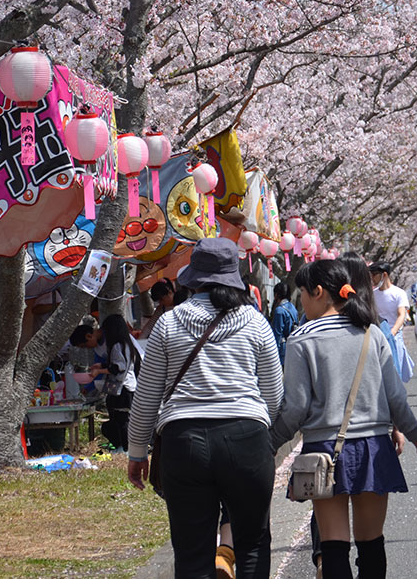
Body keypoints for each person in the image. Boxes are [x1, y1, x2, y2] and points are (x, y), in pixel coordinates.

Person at [126, 237, 283, 579]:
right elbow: (274, 394)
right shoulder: (255, 323)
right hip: (246, 437)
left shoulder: (168, 324)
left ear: (192, 277)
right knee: (253, 544)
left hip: (185, 442)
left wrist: (137, 452)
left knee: (192, 551)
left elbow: (147, 397)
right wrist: (257, 430)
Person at [271, 259, 417, 579]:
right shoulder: (372, 333)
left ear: (318, 293)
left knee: (333, 547)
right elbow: (395, 398)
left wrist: (269, 444)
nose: (300, 300)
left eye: (302, 293)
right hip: (373, 448)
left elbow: (295, 408)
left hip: (322, 449)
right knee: (372, 544)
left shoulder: (302, 339)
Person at [99, 314, 142, 451]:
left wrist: (99, 372)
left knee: (122, 420)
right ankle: (124, 447)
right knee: (124, 420)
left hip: (123, 388)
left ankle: (125, 448)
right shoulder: (127, 344)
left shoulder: (117, 346)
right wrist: (101, 366)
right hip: (130, 386)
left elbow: (117, 368)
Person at [371, 261, 413, 382]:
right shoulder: (373, 295)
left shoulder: (399, 293)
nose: (372, 278)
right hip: (377, 336)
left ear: (384, 275)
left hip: (394, 336)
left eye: (374, 274)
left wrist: (392, 332)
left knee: (395, 371)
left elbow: (401, 314)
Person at [270, 279, 299, 368]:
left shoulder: (279, 311)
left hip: (282, 351)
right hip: (292, 347)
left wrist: (273, 355)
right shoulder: (292, 308)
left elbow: (277, 334)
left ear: (277, 294)